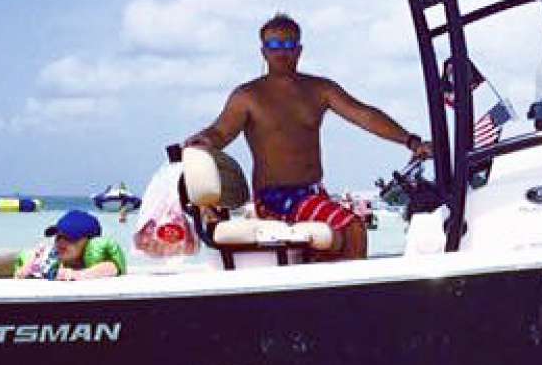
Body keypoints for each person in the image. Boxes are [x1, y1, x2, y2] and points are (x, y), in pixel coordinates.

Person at [184, 13, 430, 260]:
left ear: (299, 50)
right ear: (263, 51)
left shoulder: (320, 89)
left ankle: (328, 290)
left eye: (289, 45)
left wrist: (411, 141)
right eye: (274, 45)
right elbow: (220, 132)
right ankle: (351, 297)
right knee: (353, 227)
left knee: (338, 241)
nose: (282, 52)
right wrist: (202, 141)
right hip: (275, 198)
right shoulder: (248, 96)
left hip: (313, 194)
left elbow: (364, 115)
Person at [14, 208, 128, 280]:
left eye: (70, 237)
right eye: (58, 236)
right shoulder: (51, 258)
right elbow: (21, 274)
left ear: (90, 242)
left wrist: (78, 275)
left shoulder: (97, 260)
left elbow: (112, 267)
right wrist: (29, 266)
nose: (61, 242)